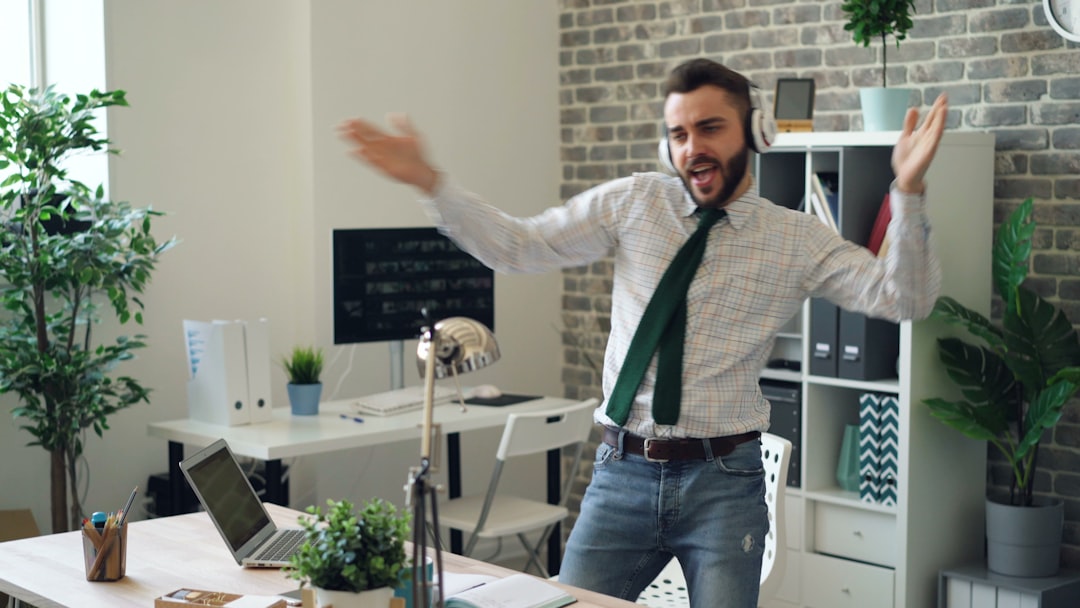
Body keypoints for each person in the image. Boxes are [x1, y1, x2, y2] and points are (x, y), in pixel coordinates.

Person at [340, 58, 947, 608]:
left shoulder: (795, 238)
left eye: (710, 128)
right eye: (679, 135)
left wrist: (910, 192)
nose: (692, 149)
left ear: (755, 132)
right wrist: (432, 184)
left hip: (724, 482)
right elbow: (521, 247)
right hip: (621, 473)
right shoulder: (634, 203)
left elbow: (906, 298)